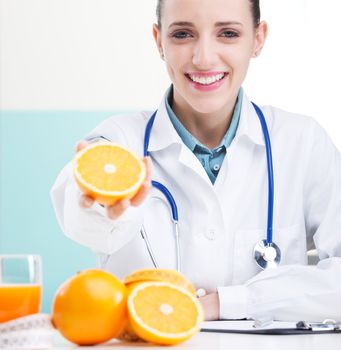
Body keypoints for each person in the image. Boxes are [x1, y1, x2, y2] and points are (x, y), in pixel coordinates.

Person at [51, 0, 341, 322]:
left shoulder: (302, 142)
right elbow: (76, 207)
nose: (203, 58)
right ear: (158, 41)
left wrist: (228, 304)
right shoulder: (119, 140)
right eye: (183, 34)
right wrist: (102, 204)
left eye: (228, 33)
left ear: (258, 38)